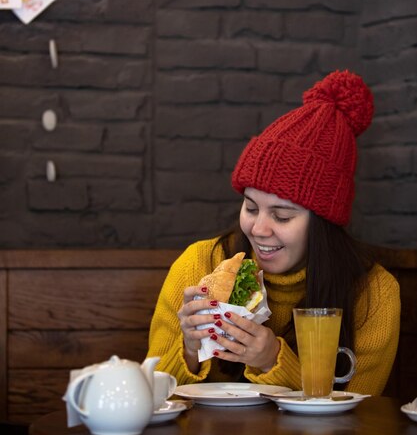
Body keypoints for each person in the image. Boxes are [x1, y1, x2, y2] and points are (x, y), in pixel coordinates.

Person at [147, 70, 400, 395]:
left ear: (323, 223)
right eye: (251, 208)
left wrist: (273, 361)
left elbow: (360, 417)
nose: (259, 228)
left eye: (281, 216)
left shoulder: (374, 294)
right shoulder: (200, 265)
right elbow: (153, 395)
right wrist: (190, 350)